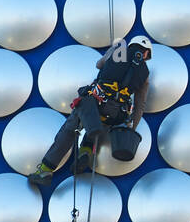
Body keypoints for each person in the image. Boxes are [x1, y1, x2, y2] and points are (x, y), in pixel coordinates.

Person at [28, 35, 153, 188]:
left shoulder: (118, 51)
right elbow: (140, 105)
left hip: (95, 100)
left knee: (69, 131)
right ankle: (86, 150)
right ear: (146, 53)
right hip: (116, 113)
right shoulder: (145, 74)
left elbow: (99, 65)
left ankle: (45, 170)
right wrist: (132, 128)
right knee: (101, 123)